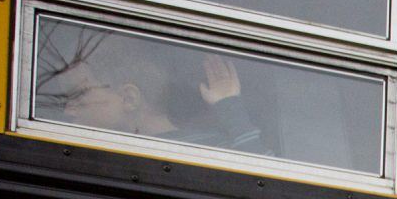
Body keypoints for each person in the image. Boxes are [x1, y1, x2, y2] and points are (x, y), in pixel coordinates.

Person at [46, 39, 264, 154]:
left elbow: (263, 182)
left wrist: (230, 107)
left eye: (77, 94)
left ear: (128, 99)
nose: (67, 109)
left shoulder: (208, 150)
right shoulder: (96, 152)